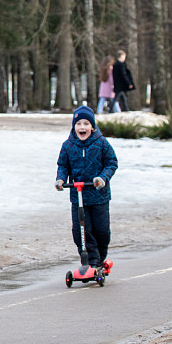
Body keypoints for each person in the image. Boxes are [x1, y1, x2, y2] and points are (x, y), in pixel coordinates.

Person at [55, 105, 118, 268]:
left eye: (86, 123)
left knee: (101, 231)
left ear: (92, 126)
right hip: (78, 196)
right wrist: (61, 179)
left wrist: (103, 178)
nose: (82, 127)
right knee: (80, 232)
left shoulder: (102, 143)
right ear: (73, 126)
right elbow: (63, 165)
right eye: (78, 124)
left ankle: (100, 258)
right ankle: (92, 262)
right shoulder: (68, 145)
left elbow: (111, 163)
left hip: (99, 196)